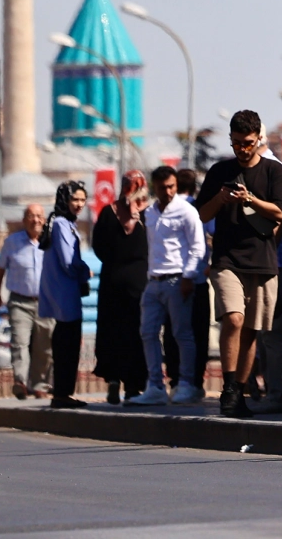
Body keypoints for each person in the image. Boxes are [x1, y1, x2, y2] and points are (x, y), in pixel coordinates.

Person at [198, 110, 282, 418]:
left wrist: (250, 200)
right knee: (234, 319)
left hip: (262, 263)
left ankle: (239, 391)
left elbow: (280, 214)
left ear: (258, 139)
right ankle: (228, 388)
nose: (242, 148)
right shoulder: (218, 171)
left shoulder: (273, 171)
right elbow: (202, 214)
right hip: (227, 260)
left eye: (247, 143)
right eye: (236, 143)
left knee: (251, 330)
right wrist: (222, 199)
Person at [130, 166, 206, 406]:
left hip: (177, 279)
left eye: (171, 186)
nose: (168, 191)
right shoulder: (150, 213)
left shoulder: (186, 211)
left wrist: (188, 276)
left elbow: (198, 246)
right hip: (154, 281)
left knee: (182, 333)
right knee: (147, 332)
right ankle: (155, 385)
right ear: (155, 187)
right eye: (162, 187)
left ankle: (186, 383)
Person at [92, 171, 150, 404]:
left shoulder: (110, 212)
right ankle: (131, 385)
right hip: (136, 282)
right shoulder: (148, 215)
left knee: (118, 331)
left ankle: (118, 380)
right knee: (133, 331)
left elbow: (99, 248)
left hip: (115, 281)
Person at [0, 203, 53, 399]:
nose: (35, 220)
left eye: (39, 216)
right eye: (31, 216)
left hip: (46, 302)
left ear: (44, 220)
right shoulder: (12, 242)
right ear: (24, 220)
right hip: (19, 302)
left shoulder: (51, 242)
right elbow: (0, 269)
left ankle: (41, 385)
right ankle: (20, 381)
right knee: (20, 341)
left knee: (44, 345)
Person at [39, 180, 91, 409]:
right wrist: (84, 269)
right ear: (64, 200)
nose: (79, 204)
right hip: (65, 294)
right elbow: (69, 262)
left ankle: (64, 392)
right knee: (67, 346)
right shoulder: (61, 225)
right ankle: (61, 393)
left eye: (82, 200)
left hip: (64, 294)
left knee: (66, 345)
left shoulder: (63, 223)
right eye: (75, 200)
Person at [163, 167, 211, 399]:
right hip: (198, 279)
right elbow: (212, 238)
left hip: (170, 279)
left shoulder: (166, 208)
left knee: (173, 333)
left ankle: (175, 380)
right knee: (198, 334)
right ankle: (195, 382)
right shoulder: (200, 208)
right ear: (193, 187)